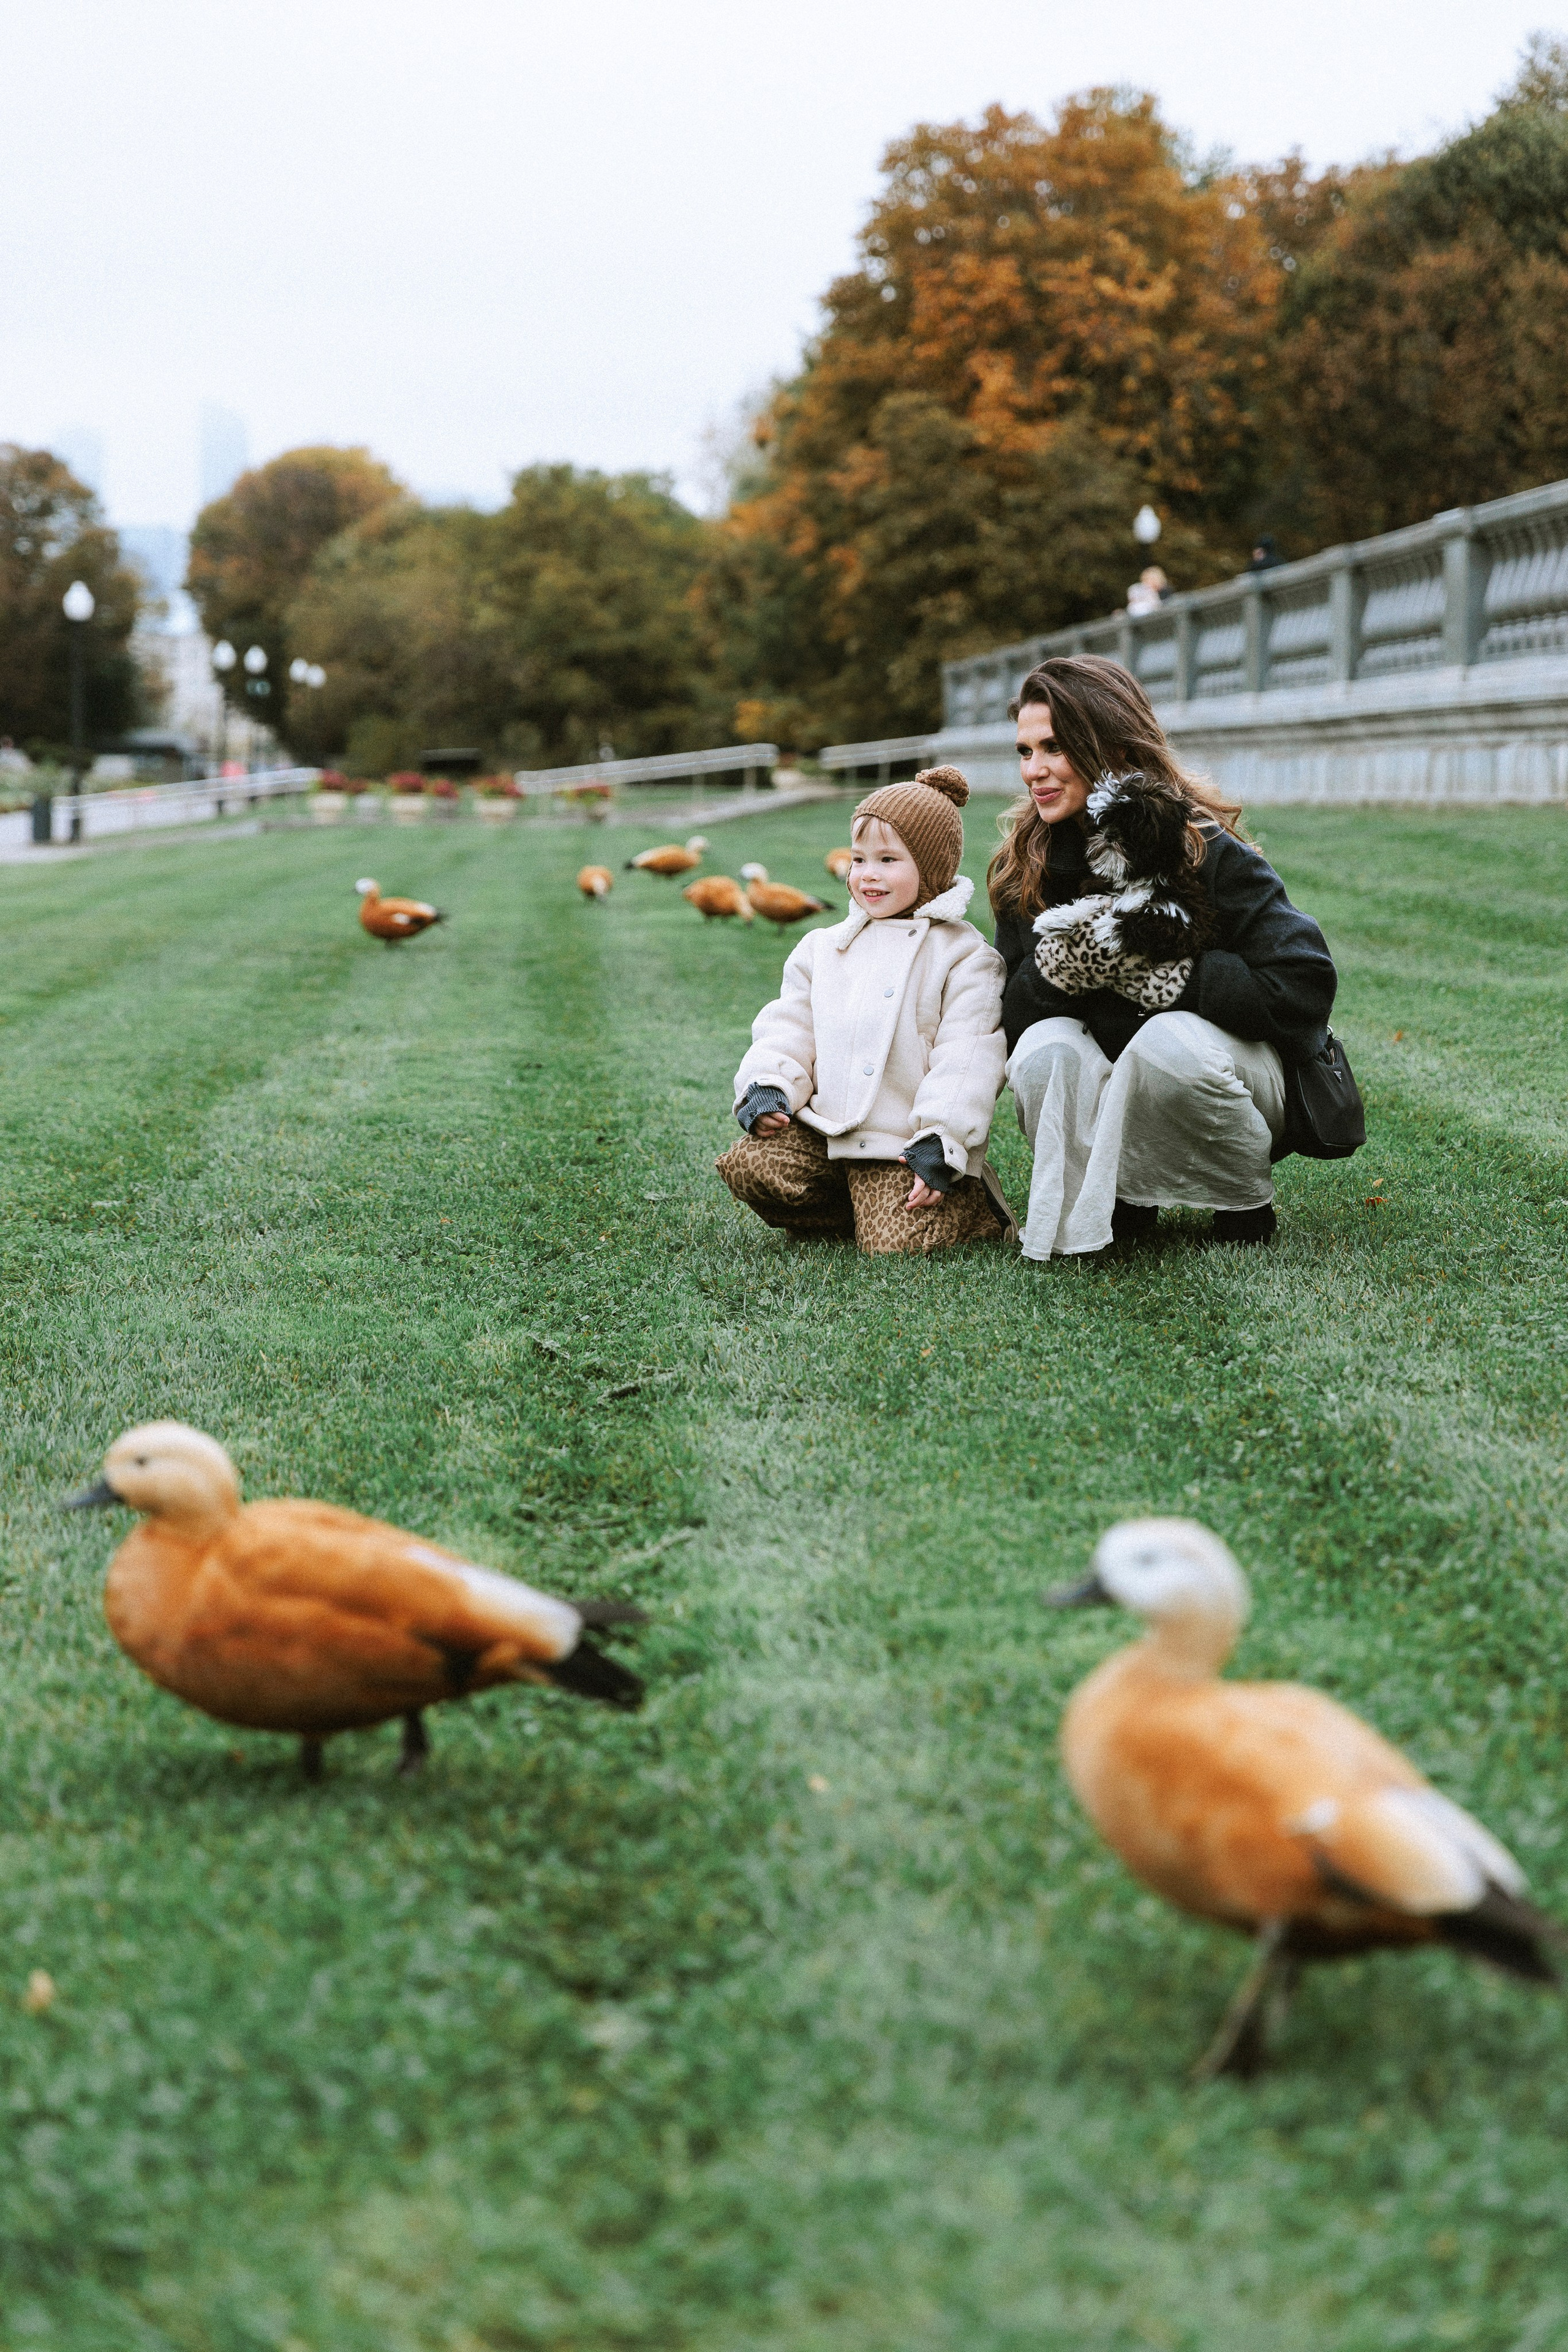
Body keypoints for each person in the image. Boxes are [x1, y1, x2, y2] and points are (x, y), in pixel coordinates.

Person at [990, 657, 1337, 1259]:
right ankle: (1111, 1203)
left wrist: (1165, 976)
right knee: (1045, 1050)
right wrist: (1059, 969)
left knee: (1167, 1042)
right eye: (1024, 751)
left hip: (1231, 1078)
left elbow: (1303, 984)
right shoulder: (1025, 863)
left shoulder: (1198, 842)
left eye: (1054, 747)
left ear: (1108, 746)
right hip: (1115, 1078)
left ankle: (1240, 1199)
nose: (1034, 771)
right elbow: (1011, 1024)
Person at [716, 767, 1015, 1254]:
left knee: (892, 1245)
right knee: (752, 1168)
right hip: (826, 1130)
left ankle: (971, 1207)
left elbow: (969, 1059)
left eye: (888, 859)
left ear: (932, 868)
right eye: (859, 859)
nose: (867, 873)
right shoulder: (823, 947)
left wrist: (942, 1139)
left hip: (899, 1148)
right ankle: (847, 1209)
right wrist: (769, 1085)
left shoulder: (965, 958)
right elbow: (789, 1027)